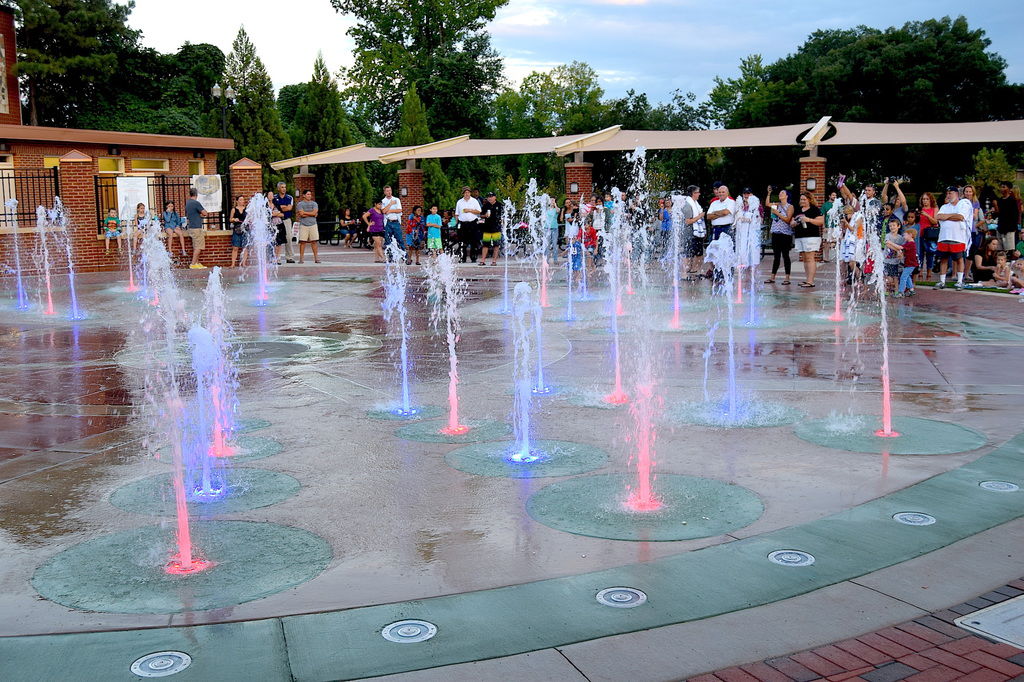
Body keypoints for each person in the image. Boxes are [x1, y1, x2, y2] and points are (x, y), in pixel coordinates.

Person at [934, 186, 973, 290]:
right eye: (947, 193)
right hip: (944, 237)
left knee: (959, 259)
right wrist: (953, 216)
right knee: (943, 259)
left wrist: (946, 216)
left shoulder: (963, 205)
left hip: (958, 237)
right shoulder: (944, 206)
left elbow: (961, 217)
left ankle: (960, 281)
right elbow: (938, 217)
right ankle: (942, 281)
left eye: (950, 193)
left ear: (956, 194)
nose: (948, 195)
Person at [792, 191, 824, 287]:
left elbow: (821, 222)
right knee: (805, 259)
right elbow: (791, 222)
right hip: (800, 236)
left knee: (810, 258)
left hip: (811, 236)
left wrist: (808, 220)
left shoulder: (814, 209)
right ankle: (807, 279)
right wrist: (794, 223)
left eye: (804, 199)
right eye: (801, 199)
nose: (802, 201)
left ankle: (811, 281)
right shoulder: (798, 209)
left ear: (809, 200)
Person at [765, 187, 794, 284]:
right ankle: (772, 277)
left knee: (785, 255)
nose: (780, 194)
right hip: (776, 233)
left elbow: (787, 219)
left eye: (782, 193)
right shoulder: (776, 205)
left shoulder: (790, 207)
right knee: (776, 256)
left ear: (786, 196)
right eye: (779, 193)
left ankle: (787, 277)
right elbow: (767, 204)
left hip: (785, 234)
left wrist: (778, 213)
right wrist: (769, 194)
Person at [734, 187, 761, 269]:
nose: (746, 195)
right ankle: (743, 273)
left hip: (752, 233)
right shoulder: (740, 205)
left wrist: (751, 219)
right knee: (742, 253)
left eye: (748, 193)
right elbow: (736, 217)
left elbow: (759, 218)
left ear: (751, 194)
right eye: (745, 193)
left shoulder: (756, 205)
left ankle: (752, 275)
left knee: (752, 254)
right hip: (742, 234)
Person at [838, 205, 866, 285]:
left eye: (846, 214)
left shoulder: (858, 217)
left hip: (857, 242)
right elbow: (844, 231)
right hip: (848, 242)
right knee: (843, 262)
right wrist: (842, 225)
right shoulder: (849, 220)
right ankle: (845, 279)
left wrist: (846, 223)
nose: (845, 216)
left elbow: (854, 229)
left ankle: (860, 279)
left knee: (852, 263)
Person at [454, 186, 481, 263]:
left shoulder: (474, 201)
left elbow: (479, 211)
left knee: (474, 241)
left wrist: (469, 210)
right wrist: (457, 223)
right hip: (462, 223)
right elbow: (457, 214)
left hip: (472, 223)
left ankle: (473, 257)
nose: (467, 194)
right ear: (463, 193)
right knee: (462, 241)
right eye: (465, 192)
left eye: (468, 192)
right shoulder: (459, 202)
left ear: (470, 193)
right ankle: (462, 257)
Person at [993, 181, 1021, 252]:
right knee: (999, 250)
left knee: (1009, 250)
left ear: (1009, 189)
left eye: (1004, 187)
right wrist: (995, 206)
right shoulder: (999, 200)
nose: (1002, 189)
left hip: (1009, 229)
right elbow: (997, 214)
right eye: (1001, 187)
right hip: (1000, 228)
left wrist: (1013, 228)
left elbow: (1015, 215)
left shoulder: (1012, 201)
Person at [272, 182, 296, 263]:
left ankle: (289, 257)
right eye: (282, 187)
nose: (284, 189)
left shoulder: (289, 197)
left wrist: (281, 207)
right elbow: (274, 208)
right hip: (277, 220)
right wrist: (283, 207)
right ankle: (277, 258)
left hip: (286, 220)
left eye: (285, 187)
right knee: (277, 239)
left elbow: (289, 208)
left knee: (288, 238)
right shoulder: (274, 197)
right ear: (278, 188)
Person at [184, 187, 208, 269]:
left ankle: (197, 263)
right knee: (198, 247)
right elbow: (205, 213)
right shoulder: (196, 203)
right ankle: (193, 263)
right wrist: (201, 214)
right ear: (196, 194)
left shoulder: (188, 203)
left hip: (191, 226)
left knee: (195, 246)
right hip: (197, 227)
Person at [295, 189, 320, 264]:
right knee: (302, 242)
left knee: (314, 241)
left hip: (313, 224)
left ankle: (316, 258)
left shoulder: (314, 203)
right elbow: (301, 214)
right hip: (304, 225)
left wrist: (306, 213)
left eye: (310, 194)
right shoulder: (300, 204)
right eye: (308, 194)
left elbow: (315, 212)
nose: (309, 196)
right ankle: (301, 259)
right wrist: (312, 214)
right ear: (304, 195)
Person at [918, 192, 939, 280]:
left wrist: (926, 215)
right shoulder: (920, 209)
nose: (925, 201)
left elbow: (935, 222)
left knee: (930, 254)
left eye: (927, 199)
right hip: (920, 234)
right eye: (923, 199)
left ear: (930, 200)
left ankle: (929, 274)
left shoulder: (934, 209)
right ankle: (920, 272)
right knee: (920, 254)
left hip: (930, 235)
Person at [883, 216, 905, 295]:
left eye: (893, 225)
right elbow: (887, 244)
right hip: (887, 260)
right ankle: (887, 289)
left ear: (898, 226)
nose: (892, 227)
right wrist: (897, 249)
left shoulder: (900, 238)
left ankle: (896, 290)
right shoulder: (888, 235)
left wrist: (899, 250)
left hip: (896, 261)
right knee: (888, 277)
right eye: (890, 226)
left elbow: (902, 247)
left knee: (895, 276)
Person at [480, 192, 503, 266]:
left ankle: (494, 261)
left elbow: (504, 215)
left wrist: (502, 220)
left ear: (495, 197)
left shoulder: (499, 205)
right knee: (485, 245)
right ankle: (482, 260)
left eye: (491, 196)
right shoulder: (485, 205)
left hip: (496, 228)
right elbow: (481, 215)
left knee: (496, 245)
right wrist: (485, 215)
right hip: (487, 228)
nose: (490, 198)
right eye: (488, 197)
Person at [381, 185, 403, 258]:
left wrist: (390, 210)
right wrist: (390, 204)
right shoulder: (383, 201)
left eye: (390, 190)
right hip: (388, 222)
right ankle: (390, 256)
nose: (389, 192)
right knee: (388, 240)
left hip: (396, 222)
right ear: (384, 192)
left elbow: (399, 210)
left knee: (399, 239)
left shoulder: (396, 200)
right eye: (387, 191)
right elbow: (383, 211)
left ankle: (404, 256)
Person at [897, 227, 919, 297]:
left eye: (905, 235)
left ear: (910, 235)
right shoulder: (909, 243)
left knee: (903, 277)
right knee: (907, 276)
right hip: (909, 264)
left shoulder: (910, 243)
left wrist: (889, 243)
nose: (904, 236)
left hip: (910, 264)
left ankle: (901, 292)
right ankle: (911, 290)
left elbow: (900, 247)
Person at [228, 194, 248, 268]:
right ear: (237, 201)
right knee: (235, 247)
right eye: (240, 200)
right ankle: (233, 264)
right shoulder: (234, 209)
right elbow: (230, 219)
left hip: (245, 229)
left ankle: (244, 263)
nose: (242, 201)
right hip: (237, 229)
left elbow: (250, 218)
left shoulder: (246, 209)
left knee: (245, 247)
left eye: (243, 200)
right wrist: (234, 219)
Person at [268, 190, 286, 264]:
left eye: (272, 195)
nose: (271, 196)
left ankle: (278, 257)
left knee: (279, 242)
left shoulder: (276, 204)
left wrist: (275, 214)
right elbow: (265, 215)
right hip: (270, 226)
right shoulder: (265, 205)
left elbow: (282, 214)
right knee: (272, 242)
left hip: (279, 224)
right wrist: (273, 214)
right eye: (269, 195)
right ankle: (272, 258)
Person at [822, 190, 838, 262]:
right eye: (833, 195)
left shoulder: (838, 204)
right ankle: (826, 257)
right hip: (828, 226)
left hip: (836, 226)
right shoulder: (825, 205)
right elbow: (823, 215)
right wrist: (824, 226)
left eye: (835, 195)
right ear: (829, 196)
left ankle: (837, 257)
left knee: (837, 241)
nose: (834, 197)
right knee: (826, 242)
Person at [545, 196, 560, 264]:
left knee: (554, 244)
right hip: (547, 228)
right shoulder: (546, 209)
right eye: (551, 200)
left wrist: (555, 204)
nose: (552, 201)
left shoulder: (556, 209)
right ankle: (546, 259)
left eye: (553, 200)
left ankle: (555, 259)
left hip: (554, 228)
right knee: (547, 244)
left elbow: (558, 211)